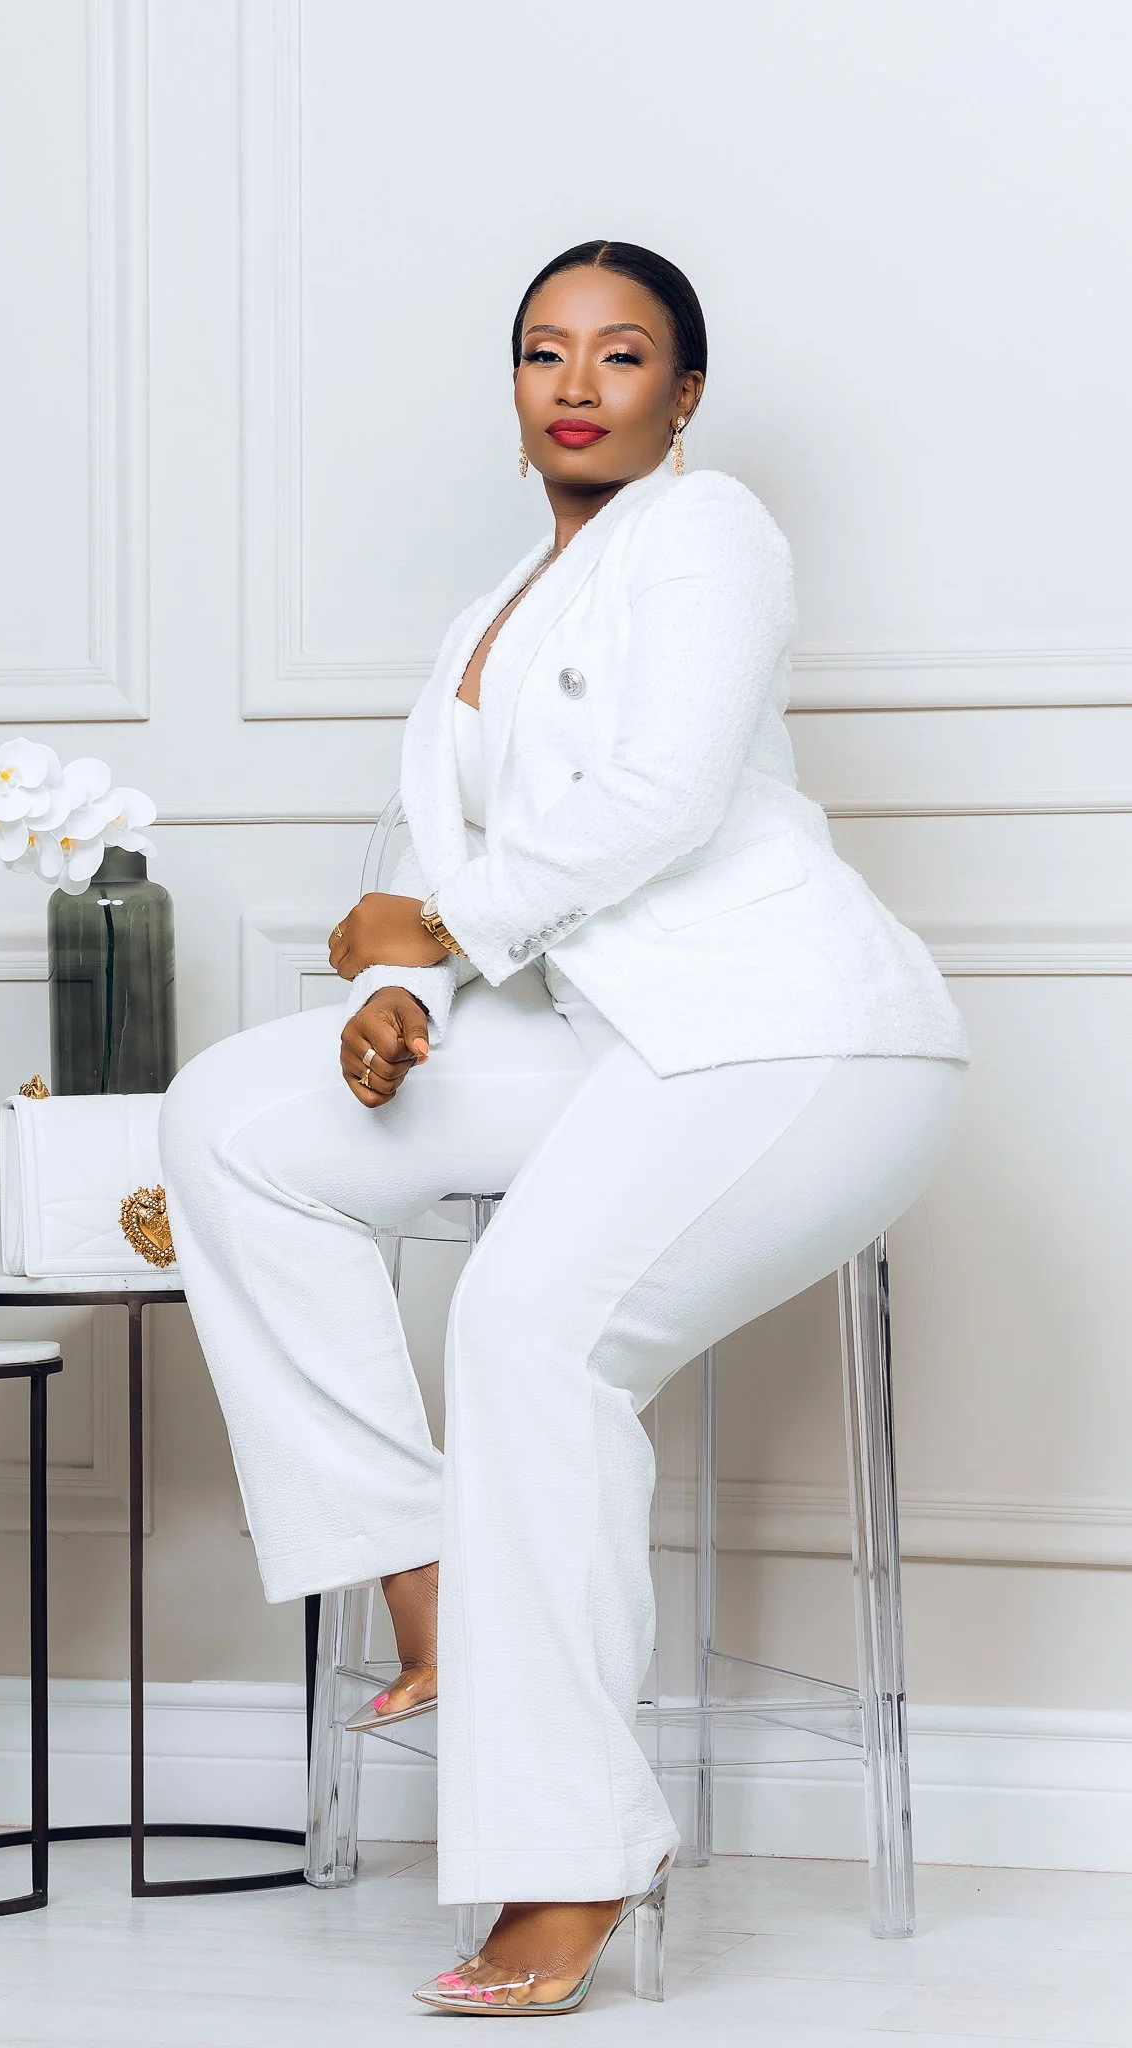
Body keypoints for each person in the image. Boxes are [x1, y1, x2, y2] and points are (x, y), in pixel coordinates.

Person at [158, 239, 971, 2016]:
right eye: (544, 352)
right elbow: (419, 876)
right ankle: (429, 1590)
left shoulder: (709, 534)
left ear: (684, 396)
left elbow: (664, 796)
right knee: (229, 1116)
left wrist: (435, 937)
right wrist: (403, 1004)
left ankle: (574, 1856)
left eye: (621, 355)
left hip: (792, 1041)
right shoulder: (477, 626)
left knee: (530, 1322)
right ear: (513, 387)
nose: (577, 382)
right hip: (604, 1047)